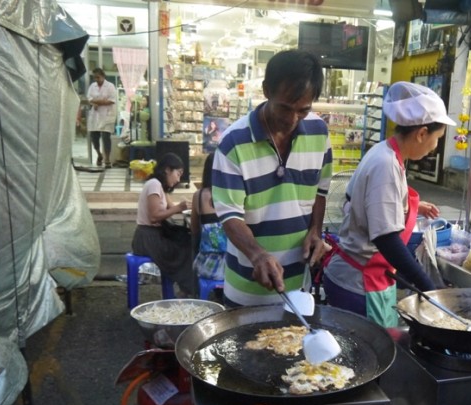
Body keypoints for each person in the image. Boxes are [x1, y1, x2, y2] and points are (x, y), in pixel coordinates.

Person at [322, 82, 456, 327]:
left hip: (366, 275)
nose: (435, 147)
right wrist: (428, 286)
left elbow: (379, 204)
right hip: (358, 282)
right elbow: (386, 239)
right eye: (437, 139)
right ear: (422, 133)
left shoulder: (386, 152)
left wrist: (415, 207)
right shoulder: (386, 164)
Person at [212, 49, 332, 307]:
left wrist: (315, 230)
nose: (291, 119)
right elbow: (229, 215)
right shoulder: (233, 143)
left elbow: (320, 191)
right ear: (266, 90)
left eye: (302, 110)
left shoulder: (319, 132)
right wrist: (257, 255)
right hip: (247, 289)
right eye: (285, 107)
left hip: (299, 291)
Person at [131, 153, 193, 297]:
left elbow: (173, 208)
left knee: (187, 239)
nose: (178, 179)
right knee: (184, 250)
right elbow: (154, 217)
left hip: (153, 235)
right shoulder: (154, 184)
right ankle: (185, 289)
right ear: (167, 170)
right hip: (147, 238)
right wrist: (179, 208)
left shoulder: (160, 187)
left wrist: (188, 206)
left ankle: (186, 288)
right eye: (178, 174)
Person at [191, 154, 227, 299]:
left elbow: (194, 229)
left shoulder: (198, 196)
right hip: (231, 267)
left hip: (206, 266)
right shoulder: (231, 195)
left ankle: (194, 290)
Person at [87, 67, 117, 168]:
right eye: (94, 77)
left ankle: (107, 159)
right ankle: (99, 155)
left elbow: (112, 100)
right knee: (94, 139)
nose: (96, 79)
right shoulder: (92, 86)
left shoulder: (110, 86)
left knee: (106, 138)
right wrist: (93, 102)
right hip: (95, 116)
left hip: (107, 116)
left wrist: (96, 102)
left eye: (98, 77)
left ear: (103, 76)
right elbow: (89, 99)